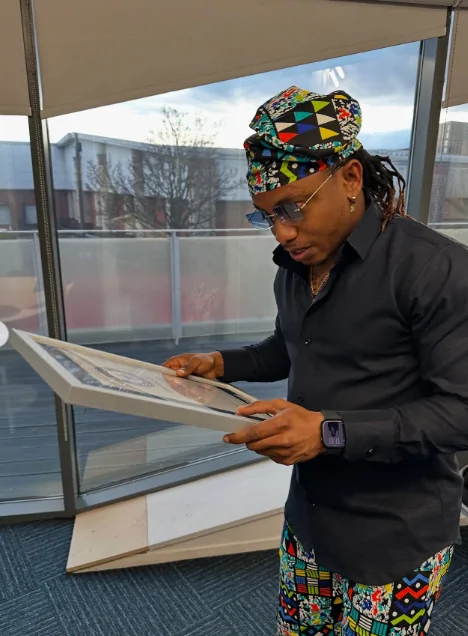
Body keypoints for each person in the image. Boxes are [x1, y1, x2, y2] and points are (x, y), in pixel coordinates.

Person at [163, 86, 468, 635]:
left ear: (350, 178)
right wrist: (219, 363)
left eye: (293, 207)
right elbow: (292, 346)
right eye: (266, 216)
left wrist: (329, 433)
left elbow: (461, 412)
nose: (282, 233)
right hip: (309, 519)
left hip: (395, 537)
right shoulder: (297, 266)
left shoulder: (436, 270)